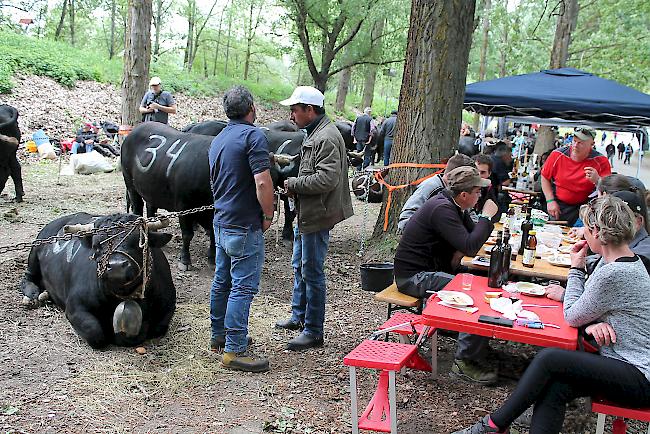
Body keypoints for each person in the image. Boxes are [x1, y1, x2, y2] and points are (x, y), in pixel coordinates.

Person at [453, 196, 650, 434]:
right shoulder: (623, 262)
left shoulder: (614, 272)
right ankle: (494, 427)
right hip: (621, 364)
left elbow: (572, 315)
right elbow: (588, 308)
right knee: (556, 386)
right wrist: (590, 322)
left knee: (549, 359)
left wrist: (576, 268)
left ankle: (493, 425)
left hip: (639, 374)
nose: (583, 235)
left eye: (586, 229)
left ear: (597, 232)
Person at [394, 166, 500, 385]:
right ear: (464, 195)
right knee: (473, 293)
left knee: (481, 283)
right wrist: (486, 217)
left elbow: (471, 239)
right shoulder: (442, 208)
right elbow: (471, 245)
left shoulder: (453, 205)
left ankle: (473, 342)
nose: (480, 196)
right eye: (477, 192)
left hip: (431, 269)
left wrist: (476, 229)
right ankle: (464, 361)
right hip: (414, 277)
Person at [275, 86, 353, 351]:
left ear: (310, 110)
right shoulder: (316, 133)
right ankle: (299, 316)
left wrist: (294, 183)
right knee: (300, 265)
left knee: (312, 271)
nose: (291, 115)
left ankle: (313, 331)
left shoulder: (326, 138)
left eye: (295, 110)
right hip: (307, 213)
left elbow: (327, 179)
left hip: (317, 215)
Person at [208, 86, 275, 373]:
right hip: (243, 225)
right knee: (242, 287)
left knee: (222, 281)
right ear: (252, 108)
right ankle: (235, 350)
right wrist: (269, 214)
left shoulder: (219, 138)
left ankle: (219, 335)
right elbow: (262, 182)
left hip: (221, 222)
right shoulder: (253, 136)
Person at [541, 126, 611, 225]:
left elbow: (609, 189)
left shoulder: (601, 161)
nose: (575, 145)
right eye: (574, 141)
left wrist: (598, 180)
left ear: (592, 145)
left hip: (585, 207)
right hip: (558, 203)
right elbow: (544, 177)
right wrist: (550, 200)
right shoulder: (558, 155)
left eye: (581, 143)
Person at [397, 153, 475, 232]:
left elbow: (469, 213)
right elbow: (405, 220)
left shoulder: (459, 191)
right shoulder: (431, 187)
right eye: (467, 180)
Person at [0, 105, 23, 202]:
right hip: (11, 125)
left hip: (7, 125)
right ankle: (19, 191)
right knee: (11, 159)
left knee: (3, 164)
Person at [473, 153, 501, 223]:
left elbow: (495, 213)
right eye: (475, 171)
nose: (478, 176)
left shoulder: (488, 188)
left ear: (489, 174)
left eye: (482, 172)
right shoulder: (464, 188)